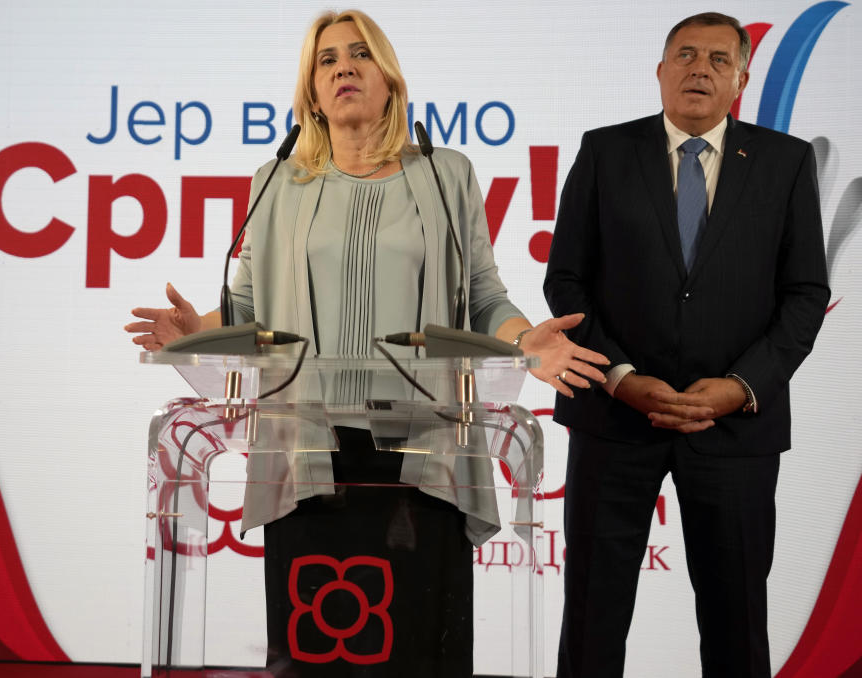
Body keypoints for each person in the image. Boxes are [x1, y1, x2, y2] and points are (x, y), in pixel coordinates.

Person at [126, 9, 608, 677]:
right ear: (311, 94)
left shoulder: (446, 176)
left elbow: (483, 296)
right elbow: (252, 307)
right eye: (327, 60)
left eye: (359, 55)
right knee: (317, 654)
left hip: (424, 453)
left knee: (418, 654)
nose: (344, 67)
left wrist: (526, 341)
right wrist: (199, 331)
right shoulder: (275, 184)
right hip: (305, 455)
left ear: (389, 81)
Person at [544, 12, 830, 678]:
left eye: (718, 60)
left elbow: (804, 294)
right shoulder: (605, 151)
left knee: (737, 625)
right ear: (660, 70)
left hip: (735, 431)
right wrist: (618, 375)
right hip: (614, 420)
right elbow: (567, 277)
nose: (700, 68)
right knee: (592, 617)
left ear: (741, 80)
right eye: (685, 55)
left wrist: (740, 387)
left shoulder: (784, 164)